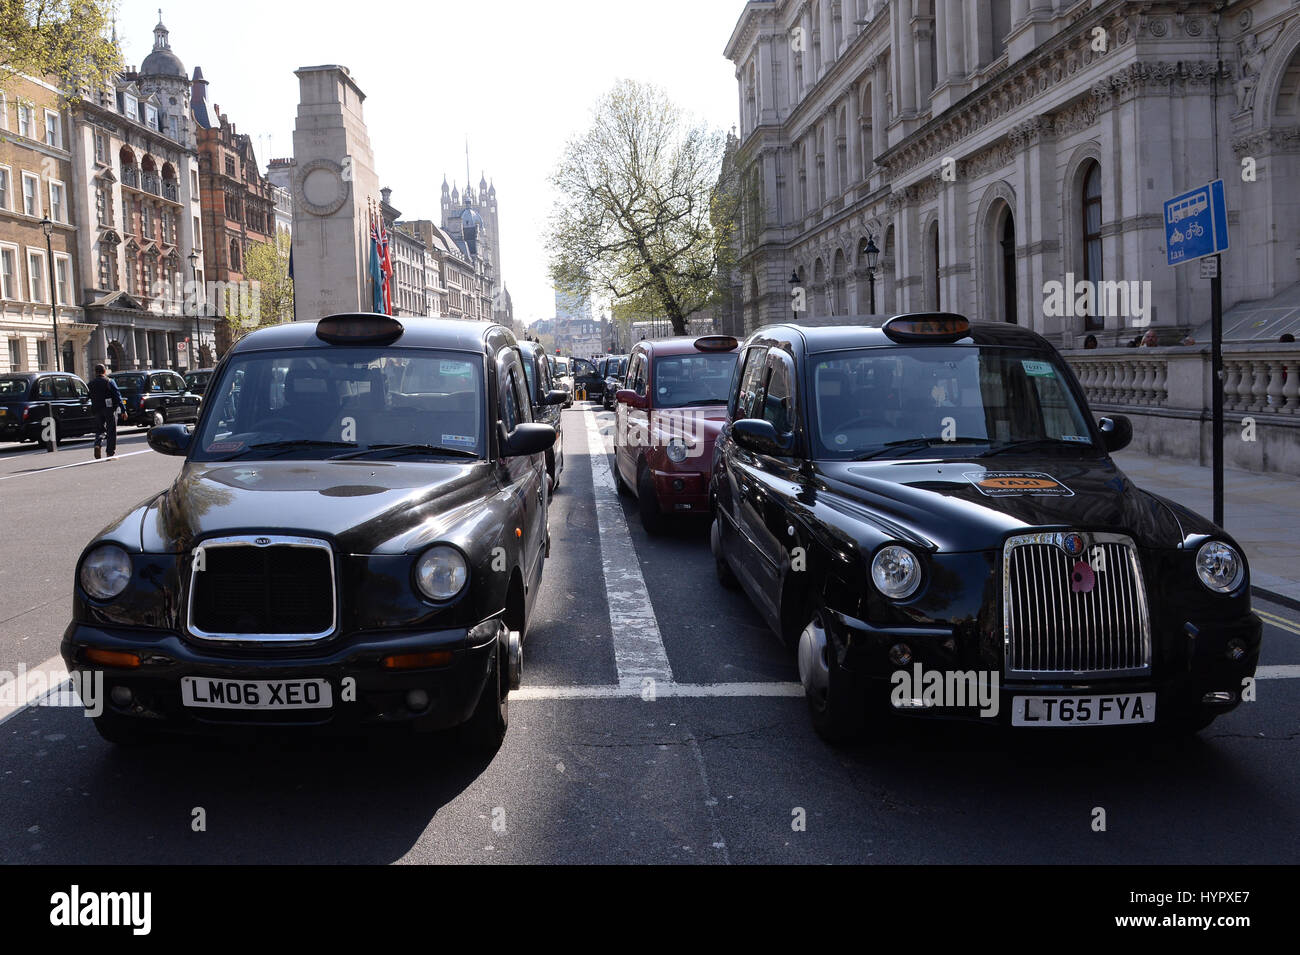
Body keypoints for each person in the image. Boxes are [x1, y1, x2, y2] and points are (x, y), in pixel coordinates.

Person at [87, 364, 125, 460]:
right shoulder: (109, 381)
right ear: (104, 371)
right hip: (109, 409)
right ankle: (109, 453)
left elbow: (87, 396)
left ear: (95, 372)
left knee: (100, 429)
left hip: (96, 409)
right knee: (111, 430)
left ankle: (97, 444)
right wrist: (123, 410)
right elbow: (118, 396)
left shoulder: (91, 383)